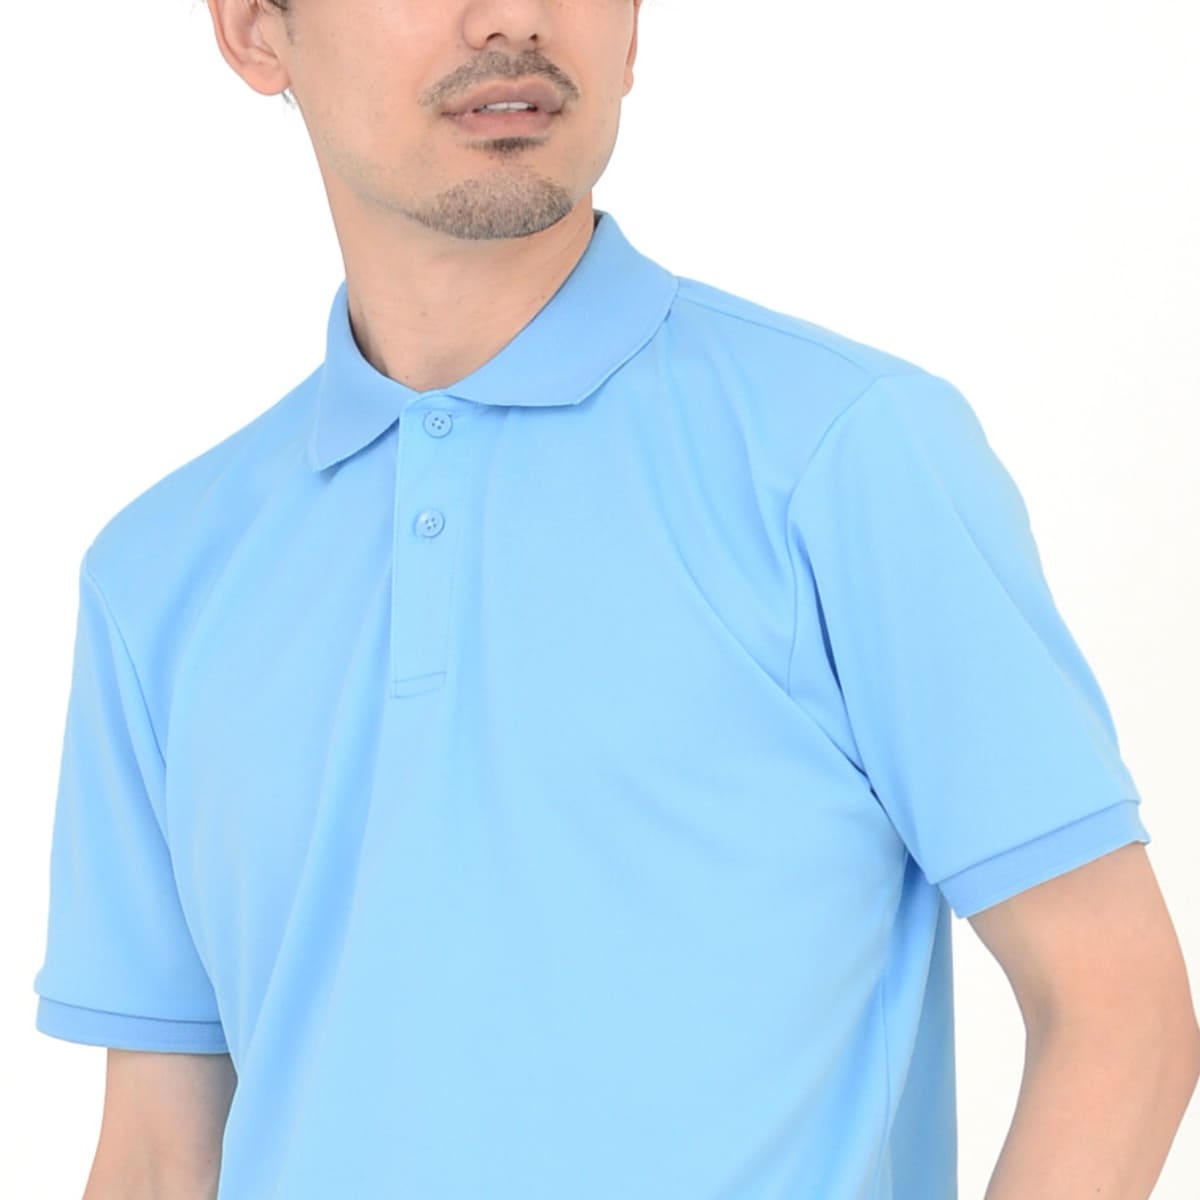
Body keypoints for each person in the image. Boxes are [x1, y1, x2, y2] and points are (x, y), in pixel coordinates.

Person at [32, 2, 1198, 1198]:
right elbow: (159, 1155)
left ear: (633, 30)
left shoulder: (842, 454)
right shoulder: (158, 581)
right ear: (253, 32)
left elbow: (1118, 1011)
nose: (516, 16)